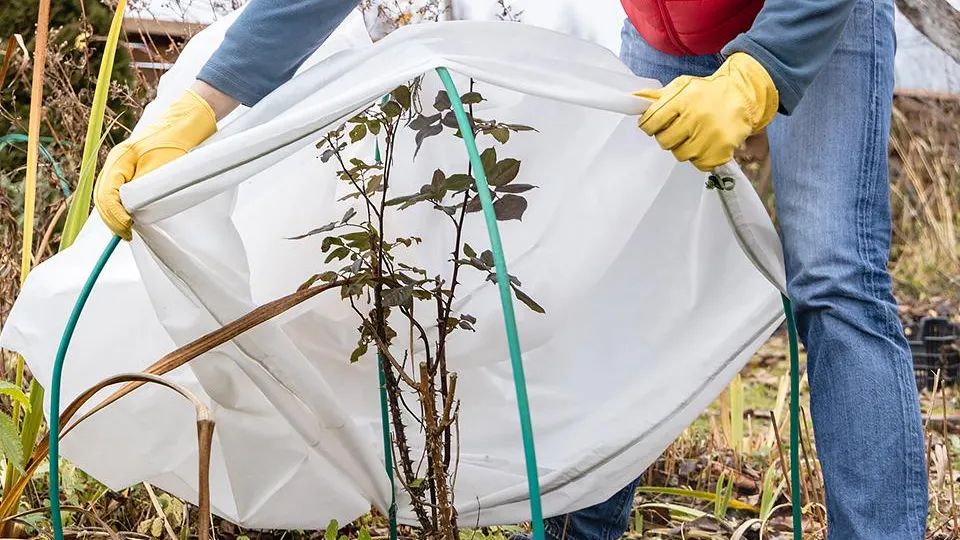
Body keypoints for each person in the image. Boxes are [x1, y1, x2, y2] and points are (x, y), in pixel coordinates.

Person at [92, 0, 928, 538]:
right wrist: (200, 103)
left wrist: (762, 72)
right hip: (665, 31)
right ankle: (581, 529)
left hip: (812, 14)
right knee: (612, 270)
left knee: (833, 277)